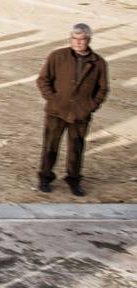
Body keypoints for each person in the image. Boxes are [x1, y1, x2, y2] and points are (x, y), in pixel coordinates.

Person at [36, 23, 109, 196]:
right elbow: (43, 80)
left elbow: (103, 89)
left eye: (81, 39)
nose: (77, 42)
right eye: (74, 39)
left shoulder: (98, 63)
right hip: (56, 111)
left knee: (76, 149)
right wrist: (54, 100)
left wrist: (90, 107)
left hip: (81, 114)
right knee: (50, 146)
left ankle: (73, 180)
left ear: (88, 40)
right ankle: (45, 177)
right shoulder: (57, 56)